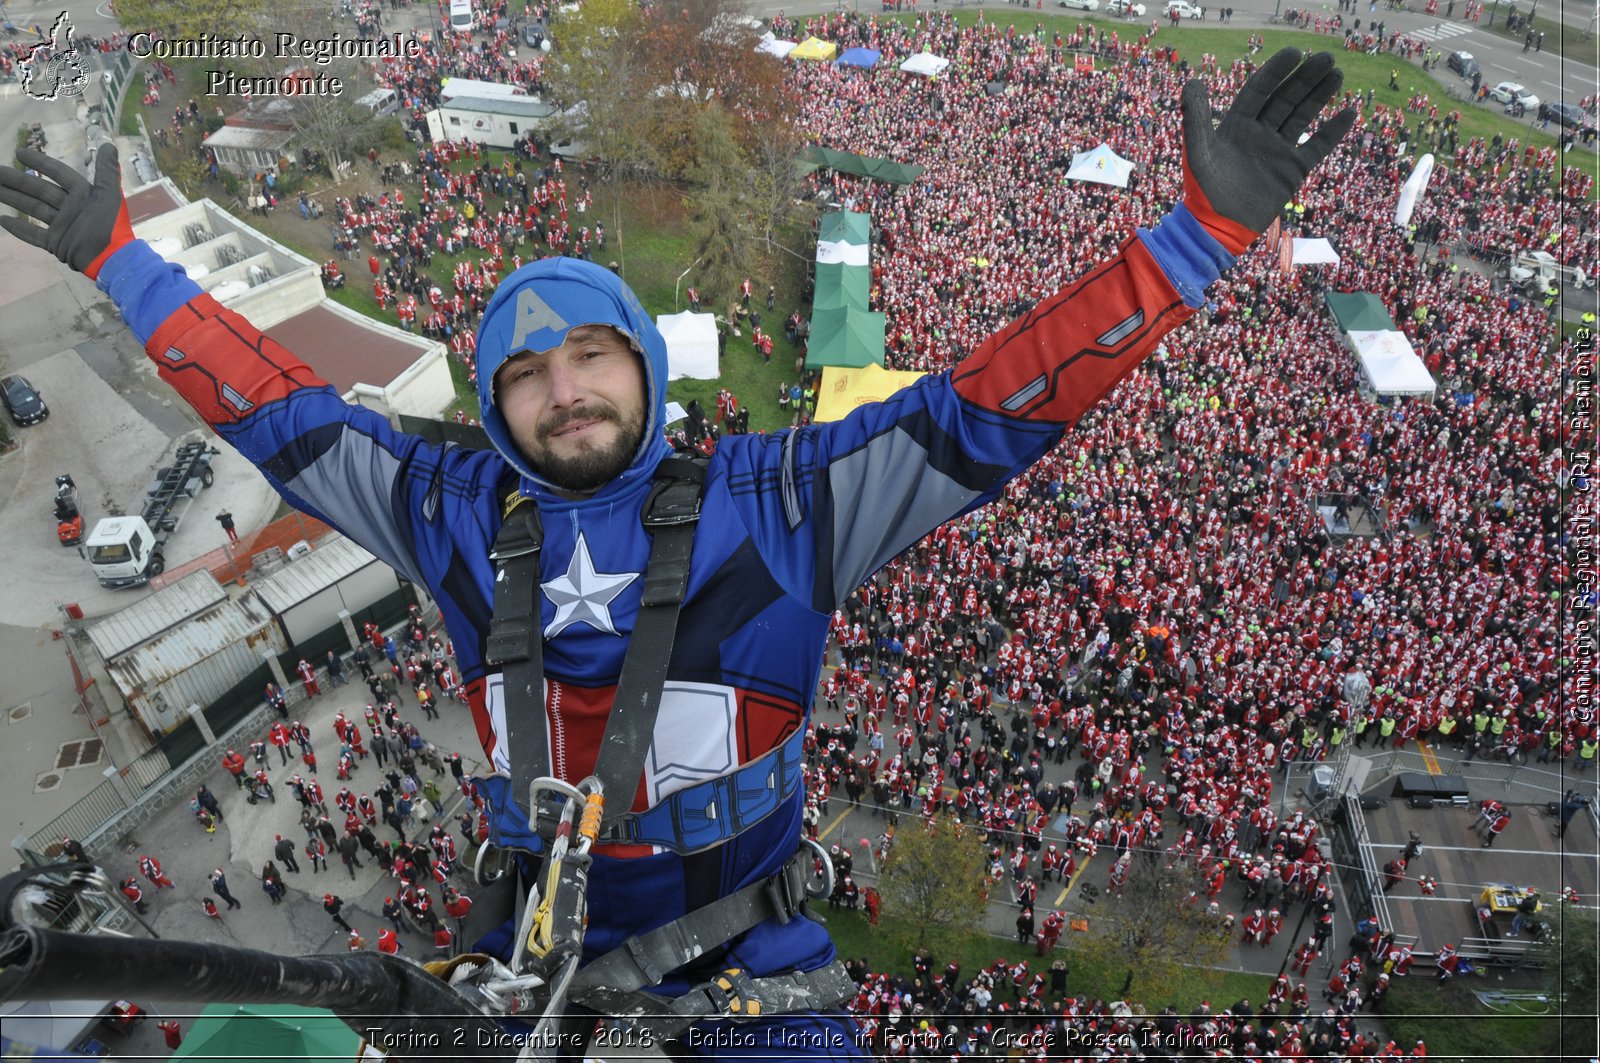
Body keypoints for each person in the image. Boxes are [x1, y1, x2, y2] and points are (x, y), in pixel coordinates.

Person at [0, 52, 1354, 1053]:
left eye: (591, 355)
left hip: (748, 952)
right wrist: (121, 262)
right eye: (524, 373)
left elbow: (997, 405)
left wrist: (1197, 239)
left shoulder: (791, 497)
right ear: (493, 405)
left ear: (643, 367)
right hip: (519, 941)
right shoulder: (445, 501)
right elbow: (274, 405)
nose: (563, 389)